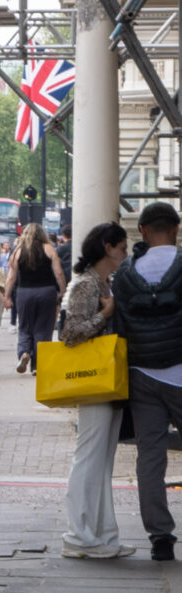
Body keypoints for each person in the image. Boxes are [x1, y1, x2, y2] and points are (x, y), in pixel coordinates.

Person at [113, 201, 182, 562]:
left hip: (141, 375)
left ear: (142, 230)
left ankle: (160, 537)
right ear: (176, 227)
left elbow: (120, 323)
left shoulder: (126, 272)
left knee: (150, 457)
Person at [62, 221, 132, 559]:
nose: (125, 253)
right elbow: (71, 333)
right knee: (89, 457)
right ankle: (78, 534)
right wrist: (104, 316)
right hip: (93, 380)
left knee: (102, 460)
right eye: (122, 247)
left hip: (109, 380)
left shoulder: (105, 282)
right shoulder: (87, 283)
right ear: (107, 247)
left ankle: (103, 534)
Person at [9, 225, 66, 374]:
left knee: (25, 326)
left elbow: (11, 277)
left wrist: (6, 296)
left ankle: (24, 353)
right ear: (42, 234)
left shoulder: (18, 250)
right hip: (46, 291)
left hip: (24, 292)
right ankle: (37, 365)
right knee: (43, 328)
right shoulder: (49, 248)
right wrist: (63, 290)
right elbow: (58, 272)